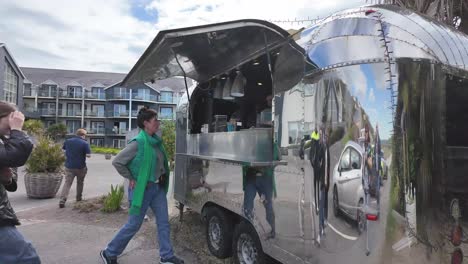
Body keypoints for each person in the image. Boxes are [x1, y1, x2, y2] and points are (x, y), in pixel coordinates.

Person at [100, 107, 184, 264]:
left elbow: (160, 163)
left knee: (164, 222)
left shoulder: (156, 142)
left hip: (157, 189)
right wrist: (131, 177)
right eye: (155, 120)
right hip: (142, 190)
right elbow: (117, 162)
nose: (158, 123)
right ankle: (109, 252)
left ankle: (166, 256)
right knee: (133, 225)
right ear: (146, 123)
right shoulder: (138, 143)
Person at [0, 102, 40, 263]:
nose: (12, 126)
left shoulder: (4, 141)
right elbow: (15, 157)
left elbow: (11, 168)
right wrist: (17, 130)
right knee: (26, 258)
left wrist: (7, 179)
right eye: (10, 120)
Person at [59, 128, 91, 208]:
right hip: (80, 167)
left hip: (69, 166)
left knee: (67, 183)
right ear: (83, 135)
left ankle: (62, 200)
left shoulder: (68, 141)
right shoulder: (85, 143)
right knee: (80, 183)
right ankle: (78, 199)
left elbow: (63, 151)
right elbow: (88, 155)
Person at [316, 126, 330, 244]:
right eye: (321, 135)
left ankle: (323, 229)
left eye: (324, 135)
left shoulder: (327, 148)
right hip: (321, 183)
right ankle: (319, 233)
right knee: (321, 208)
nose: (323, 137)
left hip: (326, 184)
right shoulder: (321, 147)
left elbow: (328, 167)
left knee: (324, 207)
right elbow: (316, 160)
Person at [309, 127, 320, 214]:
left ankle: (318, 206)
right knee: (316, 187)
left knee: (317, 188)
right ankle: (317, 206)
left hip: (318, 169)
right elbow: (310, 156)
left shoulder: (316, 144)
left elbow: (311, 156)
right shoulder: (315, 143)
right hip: (316, 168)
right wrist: (314, 164)